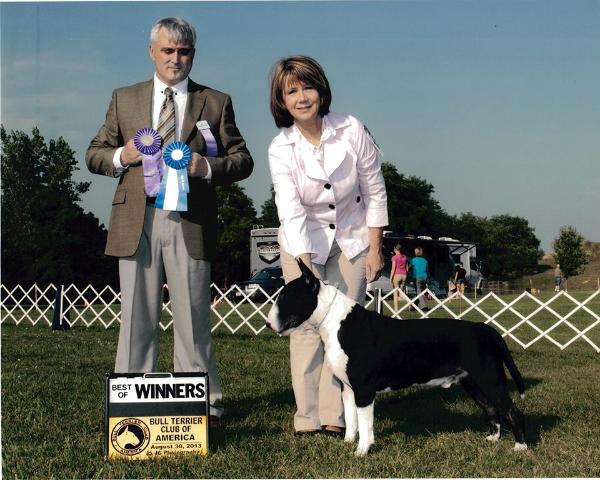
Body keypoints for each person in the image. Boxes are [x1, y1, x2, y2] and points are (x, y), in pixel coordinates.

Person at [85, 17, 253, 425]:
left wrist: (205, 167)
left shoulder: (215, 101)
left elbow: (242, 160)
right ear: (152, 52)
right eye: (168, 51)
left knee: (194, 316)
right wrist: (123, 155)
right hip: (135, 219)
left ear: (193, 54)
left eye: (184, 52)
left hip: (190, 220)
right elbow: (94, 153)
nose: (176, 59)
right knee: (136, 318)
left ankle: (205, 404)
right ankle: (131, 402)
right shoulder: (124, 98)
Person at [268, 55, 388, 436]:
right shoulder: (280, 147)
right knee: (304, 330)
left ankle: (335, 417)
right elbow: (289, 208)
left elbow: (374, 190)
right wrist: (306, 271)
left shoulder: (352, 128)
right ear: (282, 100)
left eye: (308, 87)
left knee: (345, 329)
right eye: (292, 91)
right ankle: (307, 418)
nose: (302, 97)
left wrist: (375, 248)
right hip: (302, 242)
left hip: (351, 239)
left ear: (321, 89)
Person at [390, 244, 408, 311]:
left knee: (395, 292)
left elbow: (393, 268)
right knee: (401, 293)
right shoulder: (405, 257)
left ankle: (396, 309)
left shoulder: (394, 257)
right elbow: (407, 269)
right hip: (404, 275)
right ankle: (409, 301)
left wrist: (391, 278)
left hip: (397, 275)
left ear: (395, 249)